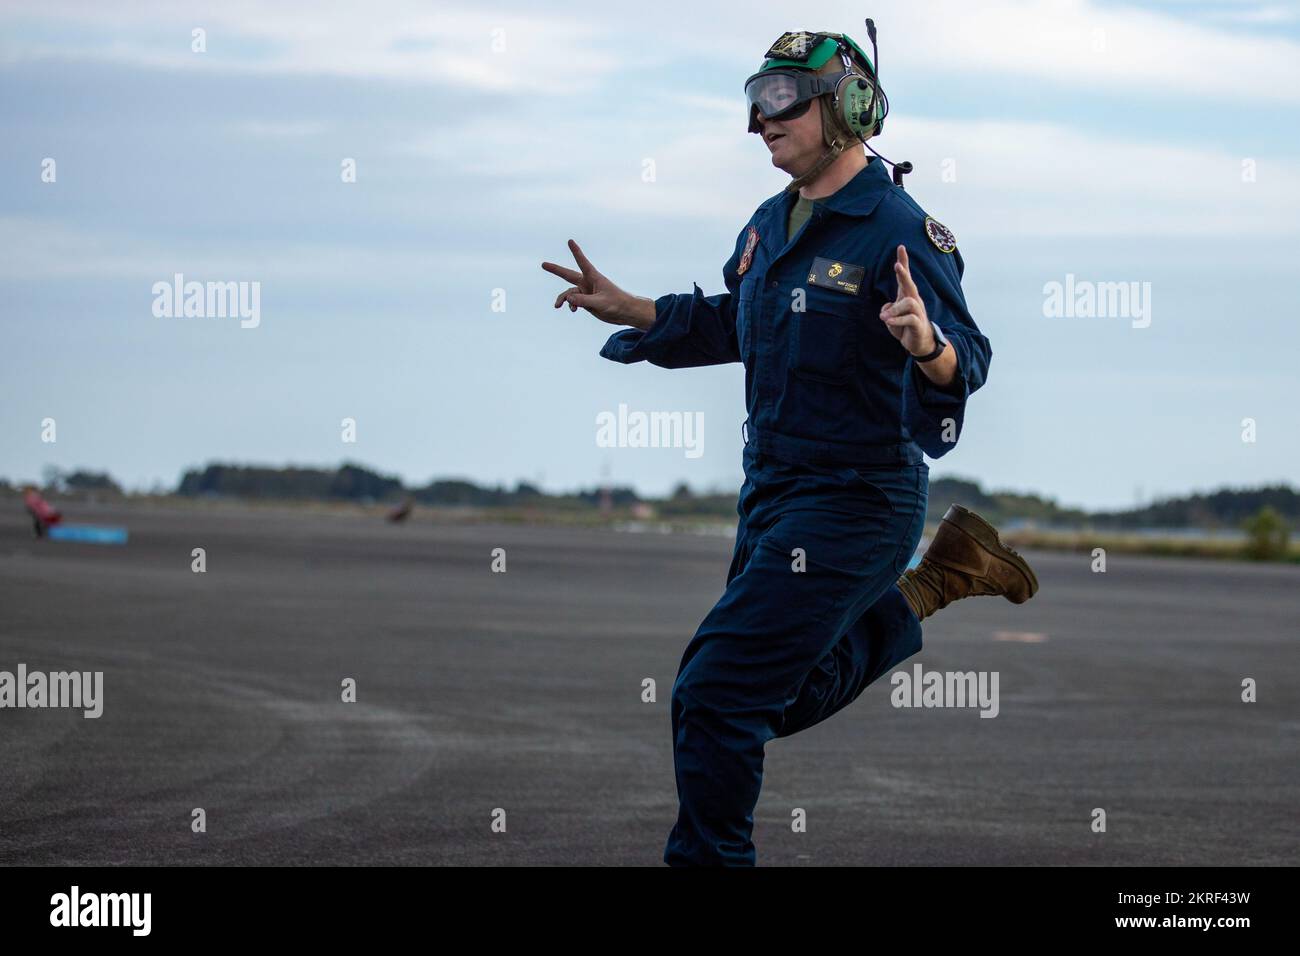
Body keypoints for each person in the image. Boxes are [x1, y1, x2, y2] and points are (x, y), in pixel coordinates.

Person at [542, 27, 1038, 866]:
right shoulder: (770, 224)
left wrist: (928, 347)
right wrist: (637, 310)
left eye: (780, 100)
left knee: (715, 692)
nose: (759, 122)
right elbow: (733, 320)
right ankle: (936, 583)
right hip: (771, 492)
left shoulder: (901, 231)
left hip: (857, 498)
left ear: (848, 106)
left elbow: (969, 357)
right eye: (753, 99)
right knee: (774, 694)